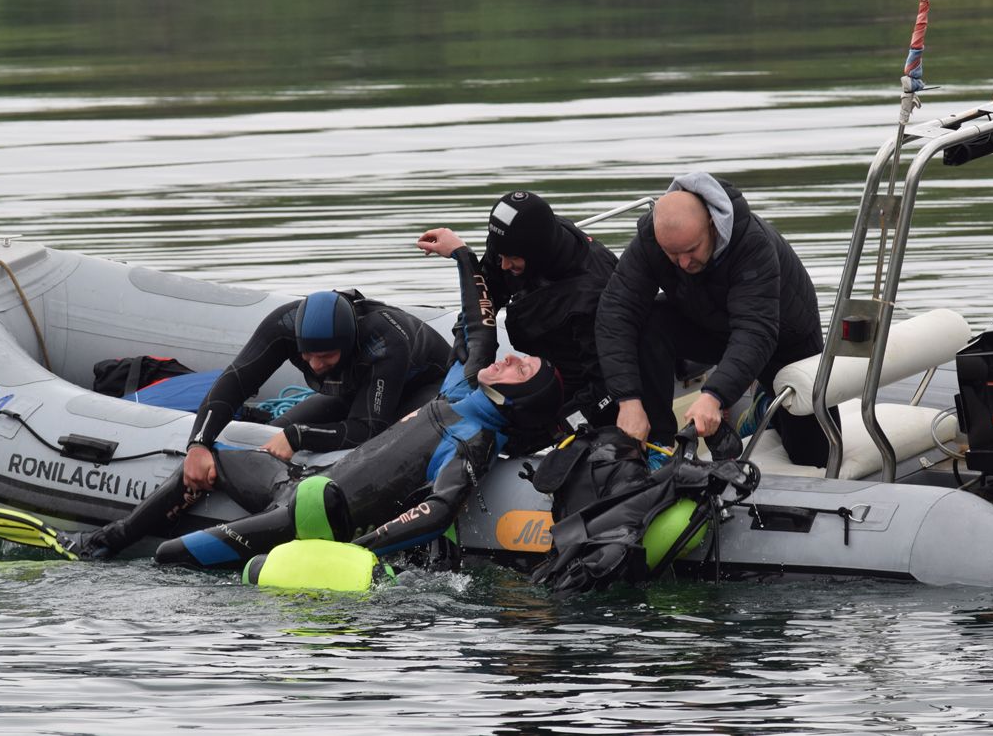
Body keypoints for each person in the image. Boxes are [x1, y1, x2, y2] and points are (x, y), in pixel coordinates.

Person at [57, 244, 564, 566]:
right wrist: (463, 255)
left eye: (521, 369)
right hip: (296, 484)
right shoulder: (464, 387)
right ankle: (104, 541)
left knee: (171, 556)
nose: (512, 359)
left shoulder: (473, 441)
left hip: (315, 517)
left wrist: (355, 551)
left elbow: (434, 511)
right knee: (214, 459)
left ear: (514, 395)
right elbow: (477, 329)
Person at [595, 172, 835, 466]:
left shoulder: (752, 243)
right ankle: (659, 444)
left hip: (783, 336)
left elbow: (755, 332)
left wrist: (714, 395)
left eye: (691, 250)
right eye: (672, 254)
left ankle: (761, 405)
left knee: (815, 458)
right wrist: (628, 401)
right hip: (711, 324)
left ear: (712, 225)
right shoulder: (652, 238)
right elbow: (615, 311)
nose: (683, 263)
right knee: (650, 321)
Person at [183, 288, 450, 489]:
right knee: (274, 430)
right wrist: (198, 443)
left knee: (383, 442)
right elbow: (236, 381)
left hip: (429, 390)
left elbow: (369, 427)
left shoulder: (382, 340)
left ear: (348, 345)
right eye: (308, 356)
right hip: (360, 389)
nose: (316, 365)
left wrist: (299, 436)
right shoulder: (284, 325)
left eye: (326, 356)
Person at [417, 190, 617, 428]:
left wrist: (565, 424)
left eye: (511, 258)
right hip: (538, 365)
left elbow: (607, 382)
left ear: (537, 253)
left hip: (583, 382)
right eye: (499, 255)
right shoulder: (511, 245)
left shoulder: (591, 292)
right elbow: (488, 288)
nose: (503, 264)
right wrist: (466, 332)